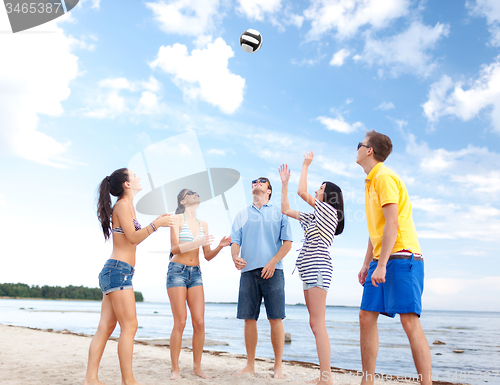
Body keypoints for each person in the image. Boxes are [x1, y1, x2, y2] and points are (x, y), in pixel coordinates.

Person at [84, 168, 176, 385]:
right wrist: (156, 225)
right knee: (130, 326)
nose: (138, 178)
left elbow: (131, 236)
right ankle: (128, 380)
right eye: (134, 175)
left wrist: (155, 222)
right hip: (118, 271)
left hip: (116, 271)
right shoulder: (123, 206)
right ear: (126, 184)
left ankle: (91, 379)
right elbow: (133, 238)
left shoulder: (127, 207)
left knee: (105, 328)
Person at [356, 131, 432, 385]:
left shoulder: (385, 177)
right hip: (383, 258)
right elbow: (375, 230)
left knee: (409, 321)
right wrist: (368, 264)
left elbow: (392, 223)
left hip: (402, 256)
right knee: (366, 316)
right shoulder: (370, 182)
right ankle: (367, 381)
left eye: (359, 144)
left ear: (369, 151)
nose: (356, 148)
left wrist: (382, 264)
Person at [279, 151, 344, 385]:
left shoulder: (329, 211)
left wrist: (305, 165)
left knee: (318, 324)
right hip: (309, 271)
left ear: (328, 194)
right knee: (315, 324)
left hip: (318, 269)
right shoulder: (314, 217)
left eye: (320, 187)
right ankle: (323, 376)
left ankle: (325, 379)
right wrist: (285, 184)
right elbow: (286, 209)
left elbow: (302, 192)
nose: (317, 190)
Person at [231, 177, 293, 379]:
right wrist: (234, 256)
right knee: (249, 319)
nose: (256, 182)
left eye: (262, 181)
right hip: (248, 272)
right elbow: (235, 241)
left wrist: (273, 262)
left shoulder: (280, 212)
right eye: (254, 181)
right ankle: (250, 365)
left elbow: (287, 243)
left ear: (269, 190)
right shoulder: (242, 214)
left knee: (276, 318)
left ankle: (278, 367)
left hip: (274, 271)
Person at [167, 188, 231, 380]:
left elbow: (207, 256)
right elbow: (174, 248)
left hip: (196, 274)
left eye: (197, 192)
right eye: (190, 193)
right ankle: (175, 369)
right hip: (177, 271)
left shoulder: (204, 224)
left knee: (200, 322)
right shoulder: (176, 219)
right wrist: (197, 242)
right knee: (180, 321)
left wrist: (220, 245)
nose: (196, 194)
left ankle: (197, 367)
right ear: (183, 201)